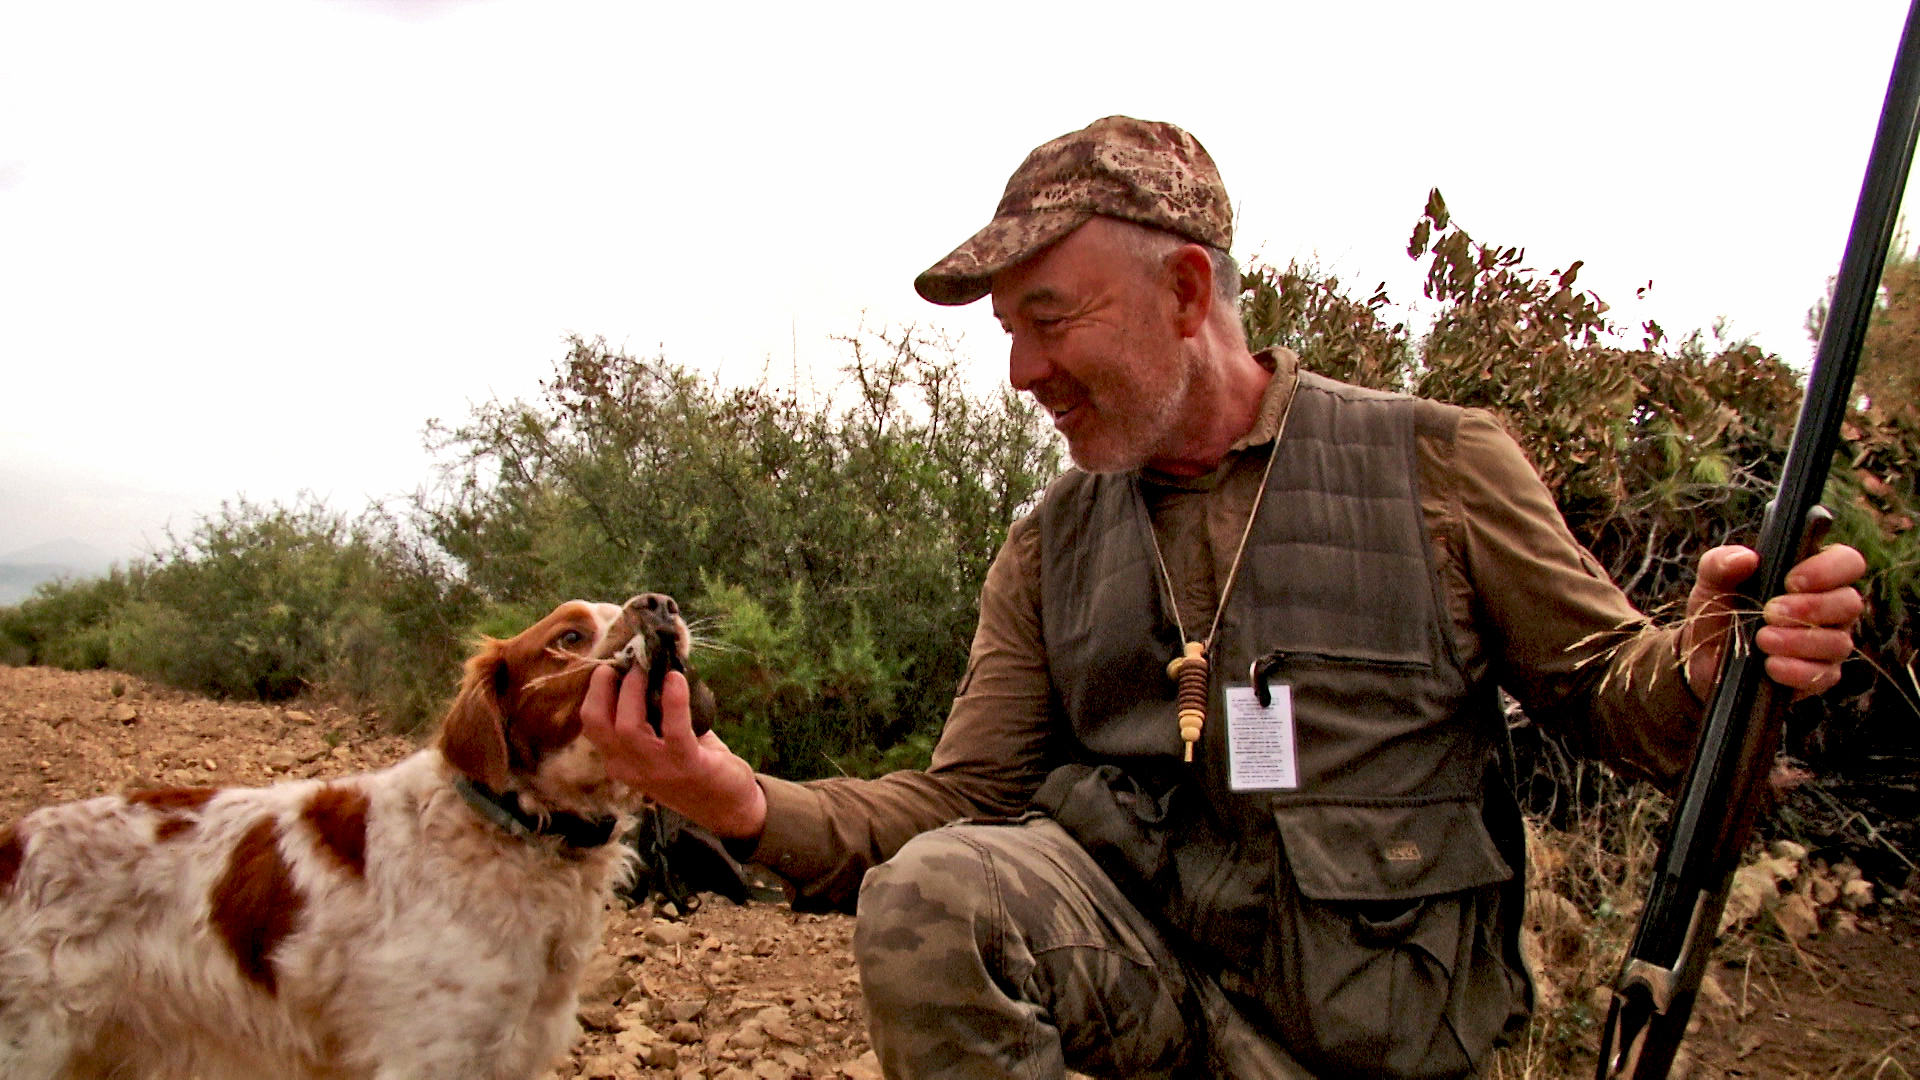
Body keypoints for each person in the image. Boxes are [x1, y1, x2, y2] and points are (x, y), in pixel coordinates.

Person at [582, 116, 1867, 1078]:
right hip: (1164, 1021)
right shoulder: (1049, 543)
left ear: (1187, 291)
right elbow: (962, 804)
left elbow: (1619, 703)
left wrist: (1711, 665)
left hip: (1384, 1045)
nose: (1022, 369)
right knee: (937, 897)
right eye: (1008, 336)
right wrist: (738, 800)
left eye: (1047, 317)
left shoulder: (1436, 463)